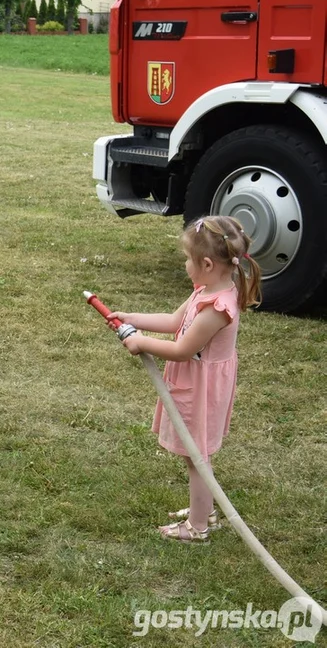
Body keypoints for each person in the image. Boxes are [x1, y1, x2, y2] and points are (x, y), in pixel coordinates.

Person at [108, 216, 262, 542]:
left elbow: (182, 349)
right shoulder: (206, 290)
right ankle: (202, 511)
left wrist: (140, 342)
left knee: (197, 456)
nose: (184, 264)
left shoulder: (217, 309)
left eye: (188, 259)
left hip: (201, 389)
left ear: (206, 263)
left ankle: (197, 527)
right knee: (194, 454)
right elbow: (175, 320)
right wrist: (131, 318)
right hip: (194, 381)